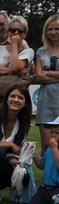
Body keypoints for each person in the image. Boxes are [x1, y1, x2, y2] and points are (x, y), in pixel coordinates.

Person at [0, 15, 34, 111]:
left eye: (20, 31)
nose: (16, 33)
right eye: (12, 30)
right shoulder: (0, 49)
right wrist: (14, 71)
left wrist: (14, 45)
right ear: (7, 32)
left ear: (25, 34)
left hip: (17, 98)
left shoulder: (28, 52)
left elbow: (15, 66)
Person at [33, 15, 59, 157]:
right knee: (46, 144)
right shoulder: (40, 52)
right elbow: (38, 76)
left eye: (57, 29)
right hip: (46, 102)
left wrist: (47, 73)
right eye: (50, 29)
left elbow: (42, 74)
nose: (53, 32)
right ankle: (46, 170)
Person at [28, 116, 59, 204]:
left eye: (57, 133)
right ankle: (52, 201)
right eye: (52, 132)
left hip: (57, 187)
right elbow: (41, 164)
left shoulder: (53, 148)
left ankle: (54, 201)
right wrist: (32, 152)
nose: (53, 136)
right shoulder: (50, 149)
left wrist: (54, 149)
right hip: (47, 188)